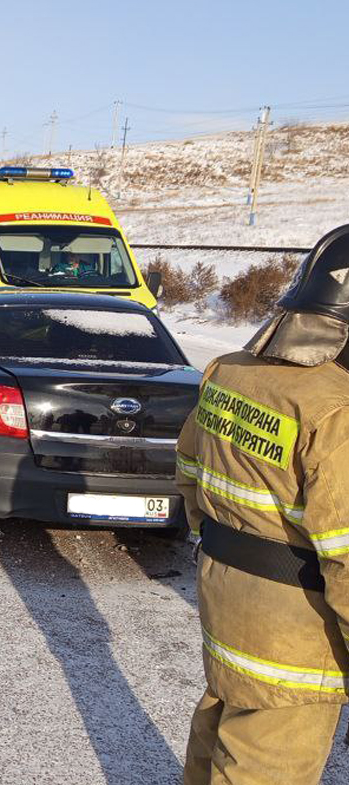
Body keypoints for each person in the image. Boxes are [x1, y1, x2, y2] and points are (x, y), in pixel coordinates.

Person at [177, 224, 349, 785]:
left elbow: (189, 473)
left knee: (219, 724)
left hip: (226, 597)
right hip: (298, 636)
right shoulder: (337, 409)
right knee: (265, 762)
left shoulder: (229, 371)